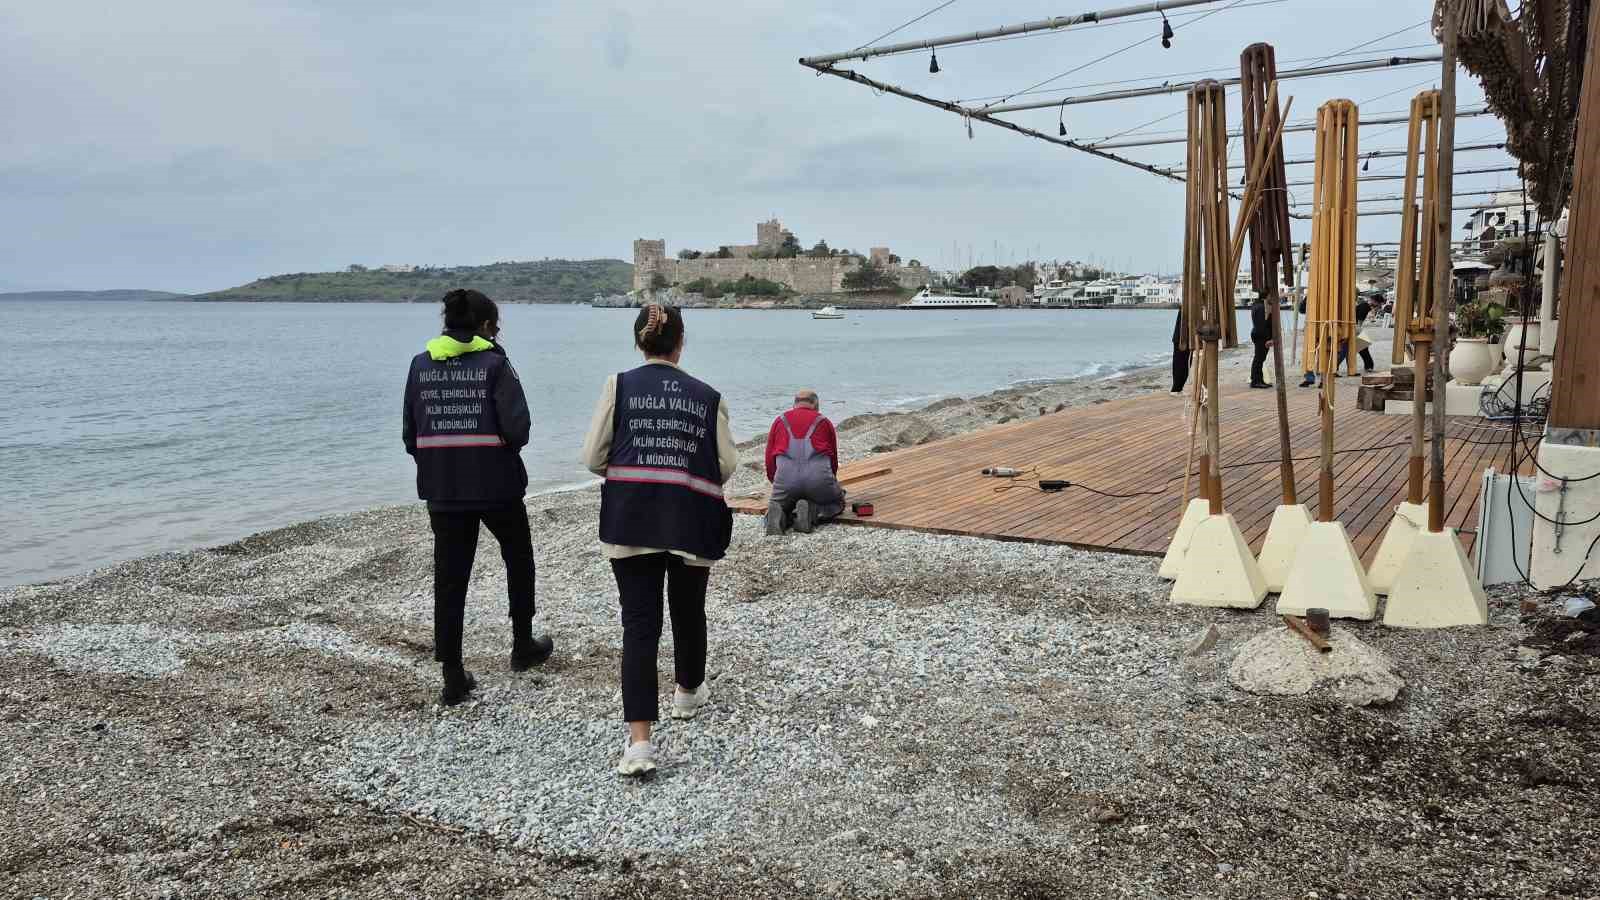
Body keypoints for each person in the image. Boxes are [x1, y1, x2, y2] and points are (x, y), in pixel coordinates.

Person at [581, 303, 737, 777]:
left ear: (638, 343)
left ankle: (640, 743)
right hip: (691, 518)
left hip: (631, 520)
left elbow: (593, 457)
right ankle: (687, 692)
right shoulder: (707, 396)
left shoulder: (619, 385)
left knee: (640, 625)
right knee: (688, 609)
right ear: (681, 344)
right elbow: (726, 464)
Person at [403, 289, 554, 707]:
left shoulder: (420, 366)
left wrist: (442, 460)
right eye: (497, 326)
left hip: (443, 489)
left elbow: (410, 436)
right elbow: (519, 429)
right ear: (487, 327)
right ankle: (522, 644)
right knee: (518, 558)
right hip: (497, 485)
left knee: (450, 578)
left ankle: (452, 671)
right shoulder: (495, 364)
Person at [763, 389, 845, 534]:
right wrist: (831, 482)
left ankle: (778, 515)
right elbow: (833, 460)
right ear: (815, 404)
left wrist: (775, 482)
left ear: (794, 404)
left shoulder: (779, 421)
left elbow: (769, 459)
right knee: (836, 503)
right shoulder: (824, 422)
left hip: (785, 480)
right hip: (818, 480)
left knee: (780, 503)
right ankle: (812, 512)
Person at [1338, 296, 1377, 372]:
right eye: (1378, 304)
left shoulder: (1364, 305)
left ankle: (1369, 366)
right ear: (1374, 301)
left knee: (1362, 348)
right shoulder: (1365, 307)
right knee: (1346, 350)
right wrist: (1358, 333)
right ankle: (1369, 366)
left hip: (1352, 327)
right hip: (1354, 328)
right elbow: (1359, 322)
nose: (1379, 306)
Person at [1248, 296, 1272, 389]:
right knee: (1259, 358)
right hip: (1261, 335)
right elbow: (1262, 325)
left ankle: (1258, 379)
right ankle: (1256, 381)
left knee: (1259, 358)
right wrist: (1268, 338)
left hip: (1258, 334)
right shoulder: (1262, 307)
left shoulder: (1257, 305)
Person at [1171, 307, 1190, 394]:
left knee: (1185, 366)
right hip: (1180, 340)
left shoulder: (1188, 307)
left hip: (1186, 340)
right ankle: (1175, 389)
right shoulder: (1185, 308)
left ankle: (1179, 388)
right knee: (1179, 365)